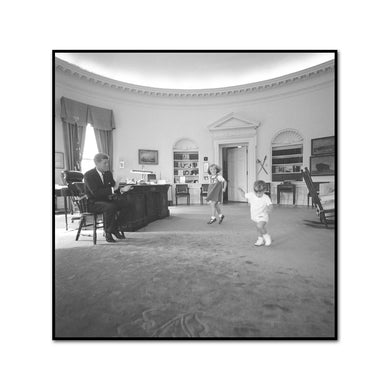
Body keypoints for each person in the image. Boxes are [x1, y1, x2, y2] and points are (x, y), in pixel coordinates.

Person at [84, 153, 131, 243]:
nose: (107, 165)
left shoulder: (108, 174)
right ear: (97, 163)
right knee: (110, 207)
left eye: (107, 163)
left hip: (106, 201)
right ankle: (108, 232)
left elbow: (114, 188)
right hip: (93, 202)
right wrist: (114, 188)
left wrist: (122, 190)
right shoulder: (88, 175)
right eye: (104, 163)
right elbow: (96, 193)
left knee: (126, 204)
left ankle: (114, 228)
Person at [238, 180, 272, 246]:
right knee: (258, 228)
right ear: (254, 191)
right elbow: (244, 195)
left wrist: (269, 209)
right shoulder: (251, 195)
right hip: (255, 216)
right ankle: (260, 239)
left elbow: (270, 205)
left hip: (263, 215)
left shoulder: (266, 197)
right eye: (257, 193)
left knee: (260, 226)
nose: (258, 194)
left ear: (264, 190)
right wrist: (240, 190)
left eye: (260, 193)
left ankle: (267, 237)